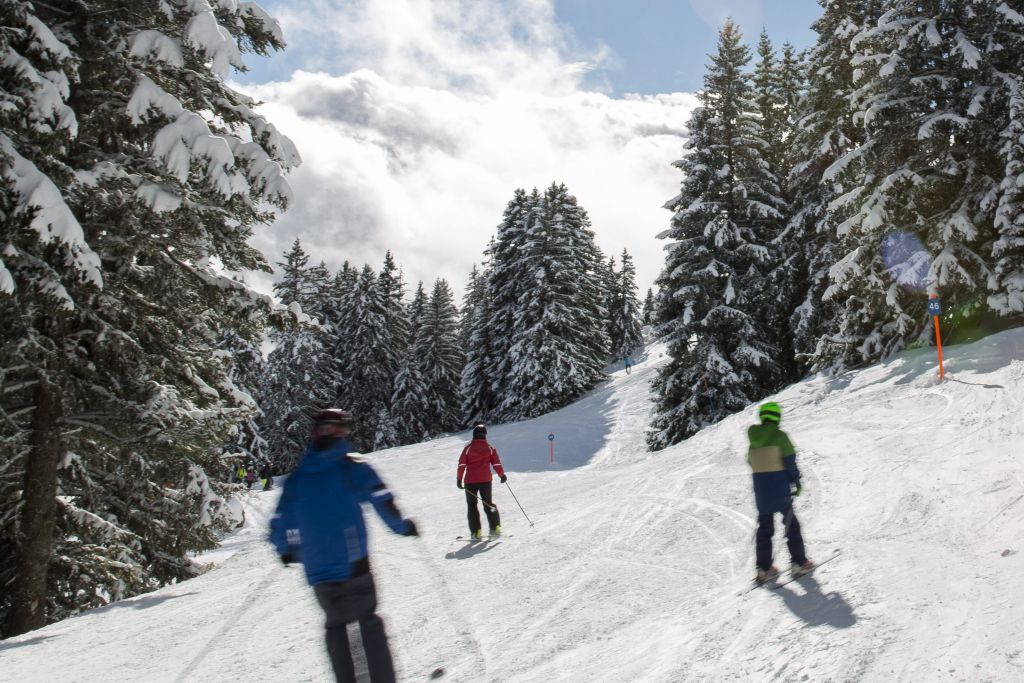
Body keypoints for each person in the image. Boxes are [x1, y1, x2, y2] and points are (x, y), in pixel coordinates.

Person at [270, 408, 418, 683]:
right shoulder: (352, 469)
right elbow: (382, 499)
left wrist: (286, 550)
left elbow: (281, 521)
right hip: (353, 565)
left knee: (337, 627)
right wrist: (403, 527)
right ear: (340, 432)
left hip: (318, 572)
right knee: (367, 625)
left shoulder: (297, 479)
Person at [746, 402, 814, 583]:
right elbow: (790, 463)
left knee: (765, 529)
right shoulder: (780, 436)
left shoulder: (753, 441)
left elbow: (751, 462)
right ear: (777, 417)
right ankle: (799, 563)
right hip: (780, 489)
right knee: (791, 526)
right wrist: (796, 482)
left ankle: (763, 569)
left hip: (761, 493)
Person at [457, 424, 506, 540]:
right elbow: (496, 464)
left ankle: (476, 532)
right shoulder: (489, 447)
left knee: (472, 506)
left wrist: (459, 479)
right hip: (485, 480)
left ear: (474, 434)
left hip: (470, 481)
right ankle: (495, 528)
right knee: (488, 503)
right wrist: (502, 475)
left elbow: (462, 465)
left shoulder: (468, 448)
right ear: (485, 435)